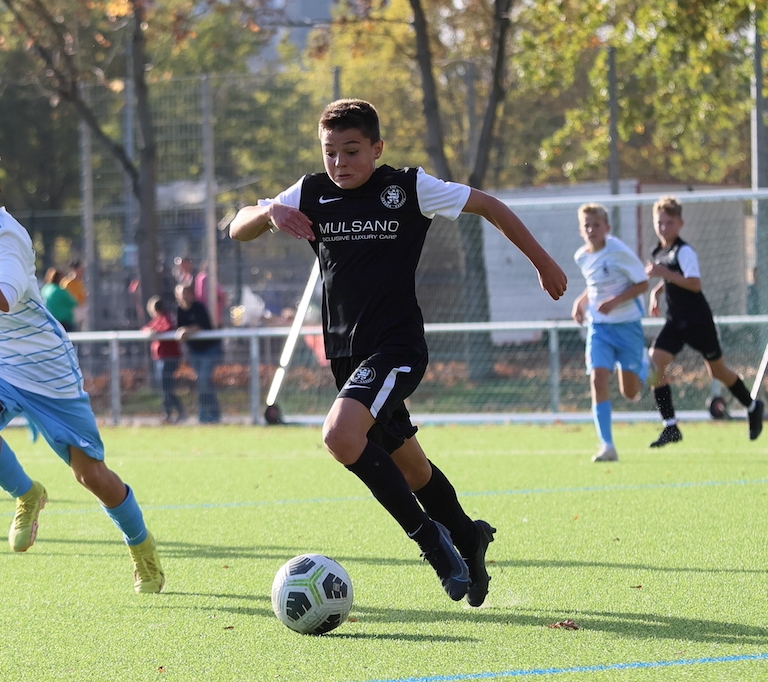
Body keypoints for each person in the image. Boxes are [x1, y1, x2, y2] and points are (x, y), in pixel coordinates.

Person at [228, 99, 567, 607]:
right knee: (411, 468)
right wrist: (267, 210)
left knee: (339, 435)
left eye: (351, 151)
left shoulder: (408, 188)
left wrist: (543, 262)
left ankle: (434, 544)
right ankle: (468, 535)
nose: (339, 162)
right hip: (346, 357)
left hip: (397, 347)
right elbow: (238, 226)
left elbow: (489, 205)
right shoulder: (310, 192)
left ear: (377, 148)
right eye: (330, 152)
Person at [0, 141, 164, 593]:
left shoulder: (6, 236)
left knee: (91, 476)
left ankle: (141, 546)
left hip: (45, 366)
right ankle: (27, 493)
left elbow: (2, 297)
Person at [645, 196, 763, 447]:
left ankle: (753, 406)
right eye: (659, 223)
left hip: (698, 322)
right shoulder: (658, 251)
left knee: (717, 372)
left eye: (669, 223)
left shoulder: (684, 251)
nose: (664, 227)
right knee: (654, 364)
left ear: (680, 223)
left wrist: (663, 273)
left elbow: (694, 283)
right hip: (675, 322)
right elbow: (671, 278)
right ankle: (670, 425)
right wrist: (657, 292)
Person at [570, 204, 649, 463]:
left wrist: (615, 302)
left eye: (596, 225)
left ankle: (644, 362)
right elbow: (594, 284)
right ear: (581, 230)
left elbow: (643, 284)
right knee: (597, 379)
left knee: (630, 393)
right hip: (599, 328)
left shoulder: (618, 251)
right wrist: (581, 302)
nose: (591, 230)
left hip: (627, 326)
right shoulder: (581, 257)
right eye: (587, 226)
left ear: (607, 227)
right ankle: (607, 445)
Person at [175, 283, 221, 424]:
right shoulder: (179, 311)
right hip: (195, 351)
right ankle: (207, 414)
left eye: (186, 293)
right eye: (181, 294)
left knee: (203, 380)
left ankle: (211, 414)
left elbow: (201, 326)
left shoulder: (198, 307)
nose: (184, 296)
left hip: (209, 349)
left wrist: (186, 331)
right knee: (202, 382)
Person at [142, 295, 185, 424]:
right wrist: (150, 330)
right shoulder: (157, 320)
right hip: (160, 358)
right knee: (164, 387)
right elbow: (146, 328)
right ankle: (168, 413)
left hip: (169, 358)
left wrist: (155, 331)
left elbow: (167, 328)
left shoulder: (166, 318)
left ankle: (177, 411)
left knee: (166, 387)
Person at [41, 267, 77, 332]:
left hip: (48, 320)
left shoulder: (45, 288)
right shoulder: (59, 290)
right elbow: (73, 303)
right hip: (62, 321)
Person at [61, 259, 88, 331]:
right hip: (72, 310)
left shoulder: (80, 282)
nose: (82, 272)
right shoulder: (67, 283)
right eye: (80, 270)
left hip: (81, 308)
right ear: (74, 270)